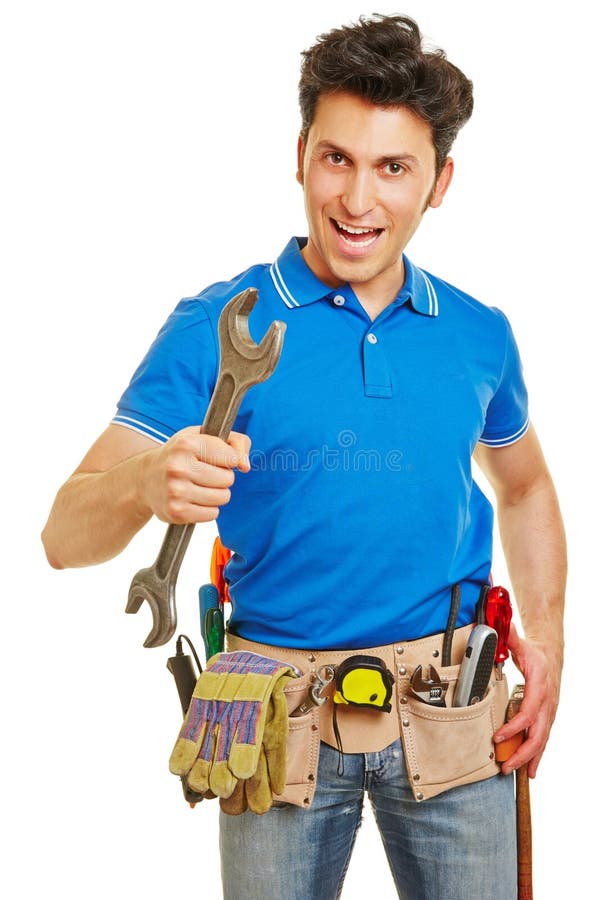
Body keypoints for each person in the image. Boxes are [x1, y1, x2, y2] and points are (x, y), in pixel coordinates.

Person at [42, 14, 566, 899]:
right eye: (337, 158)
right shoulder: (217, 324)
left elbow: (523, 486)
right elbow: (63, 534)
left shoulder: (479, 336)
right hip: (272, 726)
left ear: (440, 182)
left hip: (452, 709)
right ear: (299, 155)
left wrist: (546, 638)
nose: (358, 200)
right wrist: (143, 481)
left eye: (393, 167)